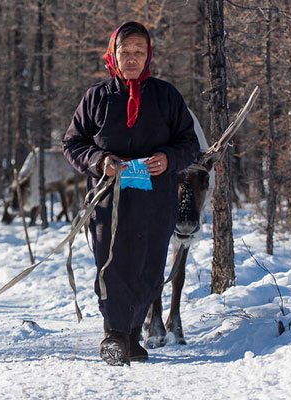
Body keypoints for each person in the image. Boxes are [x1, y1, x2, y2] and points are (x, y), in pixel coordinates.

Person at [62, 21, 200, 366]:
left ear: (148, 54)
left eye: (140, 52)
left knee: (149, 265)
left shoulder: (166, 95)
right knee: (112, 263)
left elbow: (189, 143)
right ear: (114, 54)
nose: (133, 58)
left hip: (156, 197)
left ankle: (133, 334)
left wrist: (168, 159)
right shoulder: (96, 97)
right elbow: (72, 142)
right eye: (126, 52)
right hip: (109, 197)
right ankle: (114, 334)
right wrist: (100, 160)